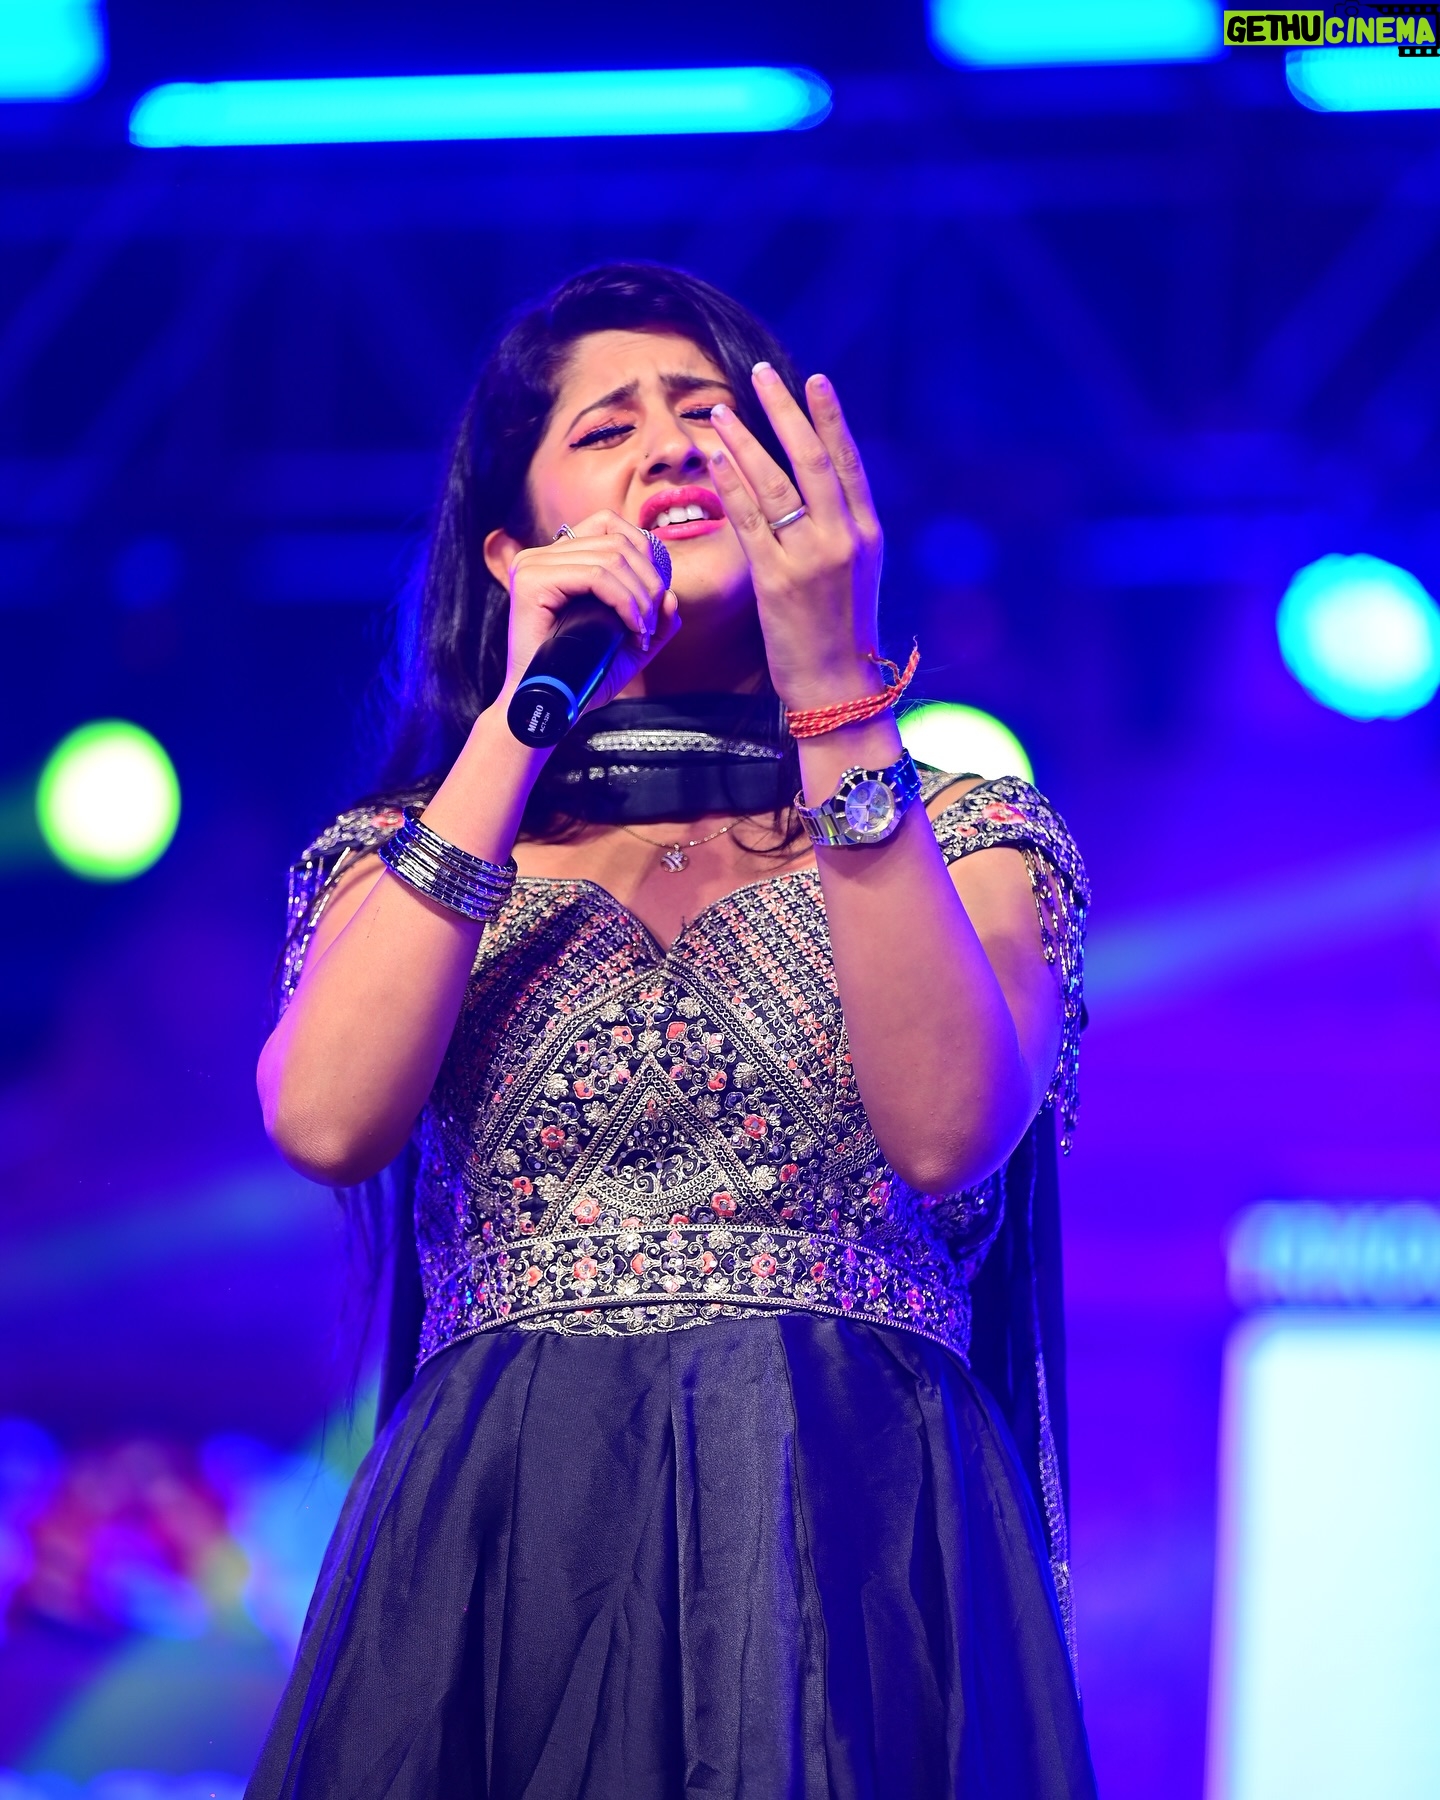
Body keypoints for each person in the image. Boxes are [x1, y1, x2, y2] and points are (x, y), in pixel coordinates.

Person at [248, 263, 1096, 1799]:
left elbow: (946, 1130)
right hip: (509, 1533)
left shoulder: (969, 837)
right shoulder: (405, 854)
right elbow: (324, 1120)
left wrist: (832, 681)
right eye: (605, 427)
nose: (670, 446)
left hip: (852, 1525)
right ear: (511, 547)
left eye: (709, 411)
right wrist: (521, 716)